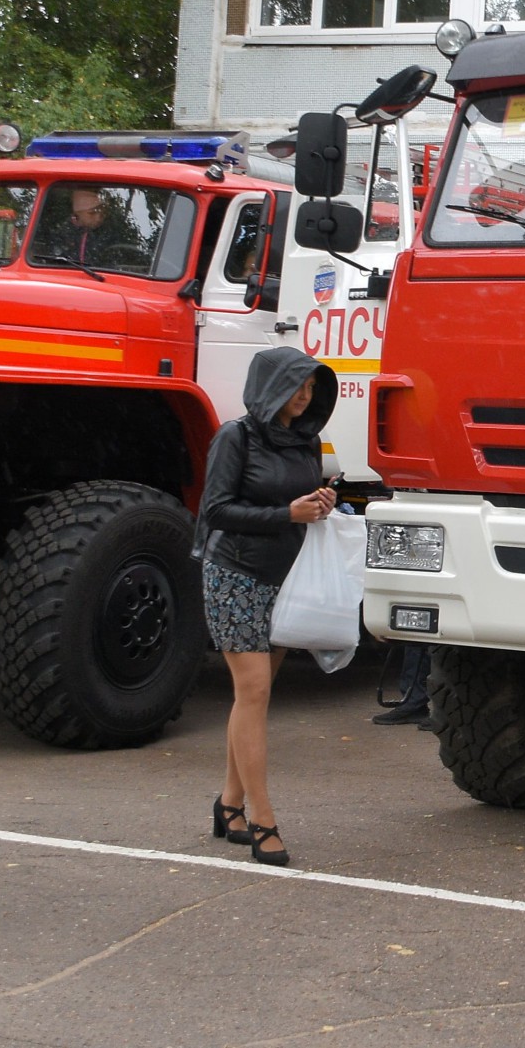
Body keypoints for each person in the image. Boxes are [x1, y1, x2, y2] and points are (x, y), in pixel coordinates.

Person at [199, 346, 338, 868]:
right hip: (234, 573)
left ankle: (228, 805)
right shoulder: (236, 436)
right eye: (296, 386)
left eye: (309, 387)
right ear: (269, 387)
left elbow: (302, 503)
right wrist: (287, 513)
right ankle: (263, 817)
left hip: (287, 577)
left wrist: (320, 504)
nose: (304, 396)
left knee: (253, 697)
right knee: (253, 690)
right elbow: (214, 509)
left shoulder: (306, 441)